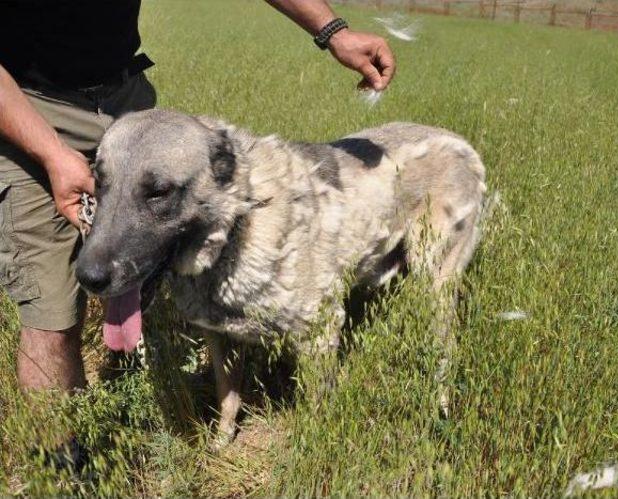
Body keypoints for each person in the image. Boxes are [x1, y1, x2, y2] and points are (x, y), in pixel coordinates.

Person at [0, 0, 395, 443]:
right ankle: (61, 465)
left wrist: (334, 31)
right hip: (26, 108)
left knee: (148, 262)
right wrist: (52, 155)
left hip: (125, 103)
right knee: (52, 316)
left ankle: (156, 406)